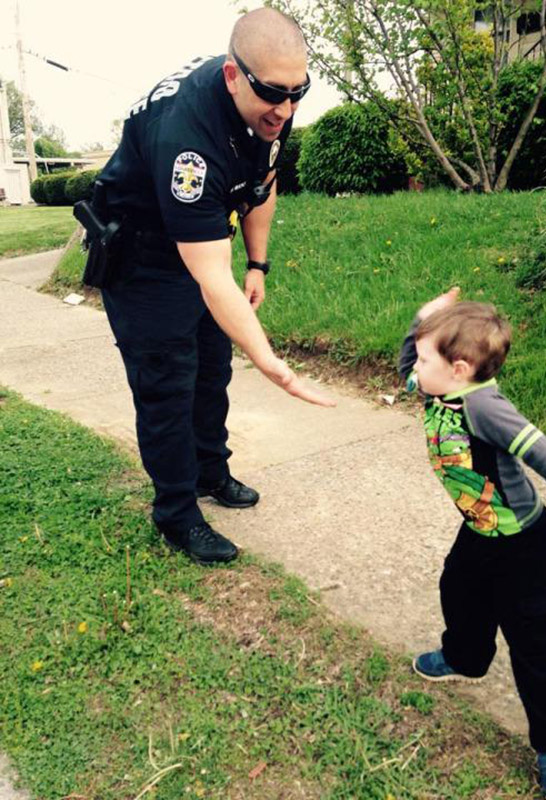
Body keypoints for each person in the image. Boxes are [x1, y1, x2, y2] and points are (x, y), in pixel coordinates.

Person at [88, 9, 334, 566]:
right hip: (142, 256)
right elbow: (208, 276)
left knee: (211, 366)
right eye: (274, 92)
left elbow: (262, 184)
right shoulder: (187, 139)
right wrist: (274, 364)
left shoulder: (271, 104)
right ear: (233, 75)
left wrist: (258, 265)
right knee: (167, 383)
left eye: (299, 92)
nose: (287, 109)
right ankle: (177, 514)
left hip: (201, 241)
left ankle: (209, 471)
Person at [398, 289, 546, 800]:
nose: (413, 369)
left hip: (523, 545)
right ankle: (465, 657)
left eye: (425, 359)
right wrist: (426, 318)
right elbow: (408, 359)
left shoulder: (486, 406)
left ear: (460, 367)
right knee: (459, 592)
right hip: (480, 530)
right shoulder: (435, 387)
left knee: (536, 645)